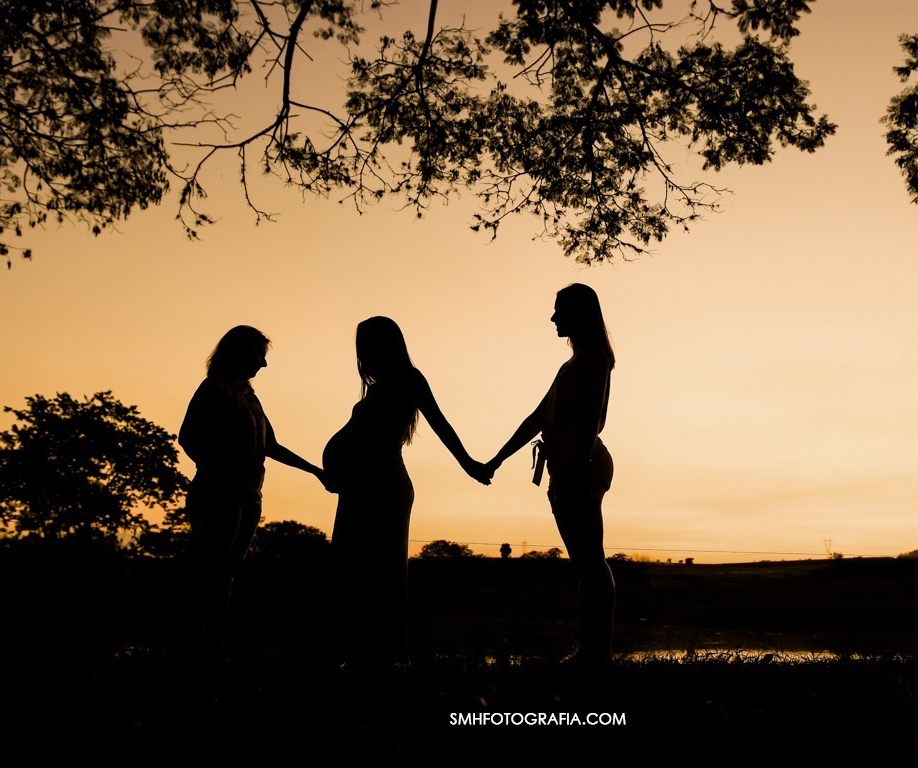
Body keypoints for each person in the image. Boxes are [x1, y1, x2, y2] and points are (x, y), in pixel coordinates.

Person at [323, 316, 489, 667]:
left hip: (382, 486)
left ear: (388, 342)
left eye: (370, 342)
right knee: (352, 569)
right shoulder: (379, 386)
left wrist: (469, 464)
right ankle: (358, 650)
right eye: (361, 343)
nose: (364, 350)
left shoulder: (408, 379)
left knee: (380, 570)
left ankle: (384, 654)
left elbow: (440, 423)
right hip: (360, 487)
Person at [178, 325, 327, 665]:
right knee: (207, 575)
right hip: (218, 494)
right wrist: (223, 468)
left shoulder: (250, 396)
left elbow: (270, 446)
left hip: (249, 497)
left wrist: (315, 471)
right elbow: (187, 438)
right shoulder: (213, 389)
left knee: (225, 576)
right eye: (259, 356)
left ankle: (211, 651)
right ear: (239, 353)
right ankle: (191, 652)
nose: (263, 364)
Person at [485, 284, 616, 667]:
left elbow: (592, 417)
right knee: (585, 561)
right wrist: (496, 459)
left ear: (579, 313)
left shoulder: (594, 357)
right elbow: (537, 418)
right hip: (568, 465)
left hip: (581, 465)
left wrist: (574, 465)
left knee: (591, 560)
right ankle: (593, 650)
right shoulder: (572, 364)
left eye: (559, 310)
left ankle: (597, 653)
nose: (553, 318)